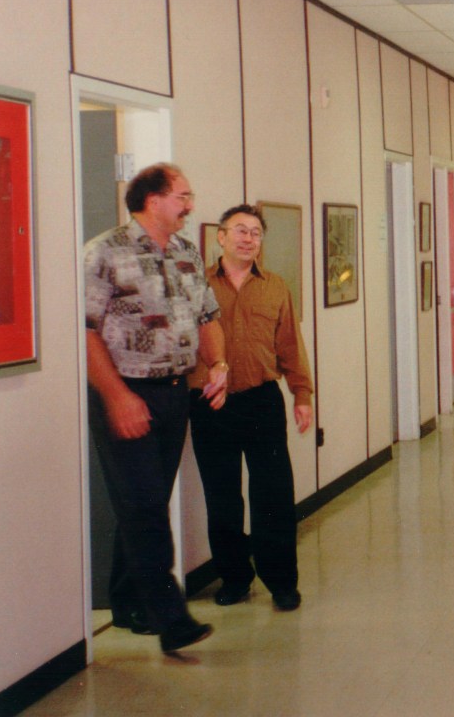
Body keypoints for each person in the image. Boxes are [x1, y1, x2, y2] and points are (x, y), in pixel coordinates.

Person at [84, 162, 228, 653]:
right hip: (126, 391)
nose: (190, 205)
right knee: (145, 504)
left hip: (174, 392)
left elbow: (207, 316)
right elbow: (83, 330)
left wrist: (218, 364)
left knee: (145, 499)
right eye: (182, 196)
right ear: (153, 200)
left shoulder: (187, 251)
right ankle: (171, 618)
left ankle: (127, 601)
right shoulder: (105, 251)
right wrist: (117, 396)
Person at [188, 204, 313, 613]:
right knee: (222, 495)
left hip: (262, 400)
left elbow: (290, 345)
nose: (248, 239)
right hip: (212, 403)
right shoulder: (198, 286)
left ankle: (282, 582)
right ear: (221, 236)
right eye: (240, 230)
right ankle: (235, 577)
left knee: (273, 494)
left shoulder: (275, 286)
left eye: (256, 232)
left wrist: (302, 394)